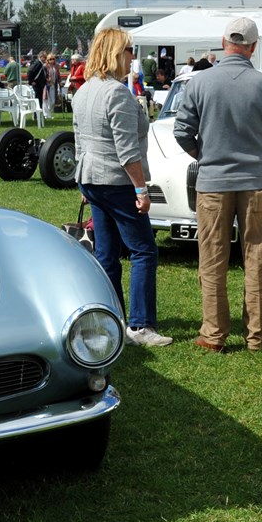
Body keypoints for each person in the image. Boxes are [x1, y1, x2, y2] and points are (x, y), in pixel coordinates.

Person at [173, 17, 262, 353]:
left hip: (213, 182)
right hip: (256, 182)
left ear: (224, 42)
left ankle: (213, 334)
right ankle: (259, 336)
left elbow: (182, 131)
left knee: (212, 258)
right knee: (258, 258)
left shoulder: (199, 82)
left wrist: (206, 155)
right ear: (253, 47)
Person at [72, 28, 172, 347]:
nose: (133, 57)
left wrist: (83, 182)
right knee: (143, 250)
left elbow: (79, 140)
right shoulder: (116, 93)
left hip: (92, 178)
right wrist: (141, 190)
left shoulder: (84, 90)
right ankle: (140, 326)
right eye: (130, 50)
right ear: (116, 53)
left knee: (106, 253)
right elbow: (127, 151)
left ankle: (113, 320)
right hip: (116, 181)